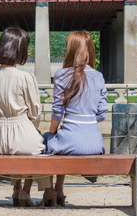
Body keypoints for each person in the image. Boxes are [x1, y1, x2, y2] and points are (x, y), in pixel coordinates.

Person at [0, 26, 52, 207]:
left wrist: (1, 116)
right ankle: (24, 192)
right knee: (36, 145)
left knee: (23, 145)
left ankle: (16, 189)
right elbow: (35, 112)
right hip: (21, 127)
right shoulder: (26, 77)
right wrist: (32, 127)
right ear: (21, 50)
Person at [43, 30, 108, 206]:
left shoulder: (61, 75)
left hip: (70, 140)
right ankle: (60, 189)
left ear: (71, 50)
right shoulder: (99, 76)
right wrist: (85, 123)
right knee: (60, 140)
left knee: (48, 140)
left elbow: (57, 112)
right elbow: (102, 113)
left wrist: (51, 131)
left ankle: (51, 191)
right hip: (95, 143)